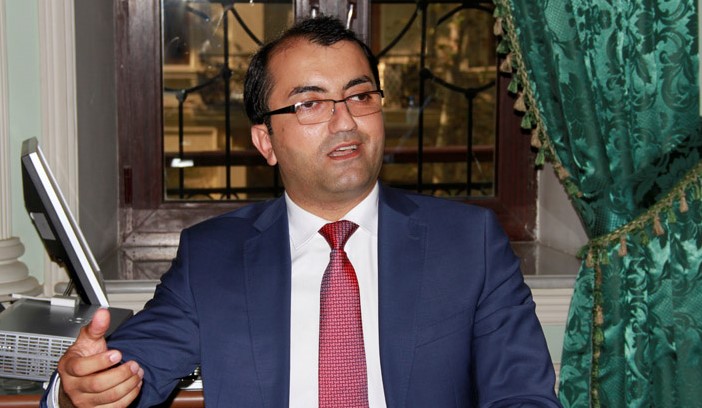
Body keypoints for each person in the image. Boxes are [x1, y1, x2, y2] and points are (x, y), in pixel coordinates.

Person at [43, 15, 561, 408]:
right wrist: (78, 390)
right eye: (310, 103)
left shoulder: (467, 241)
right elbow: (128, 369)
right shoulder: (214, 256)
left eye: (360, 95)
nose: (345, 122)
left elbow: (523, 394)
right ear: (265, 141)